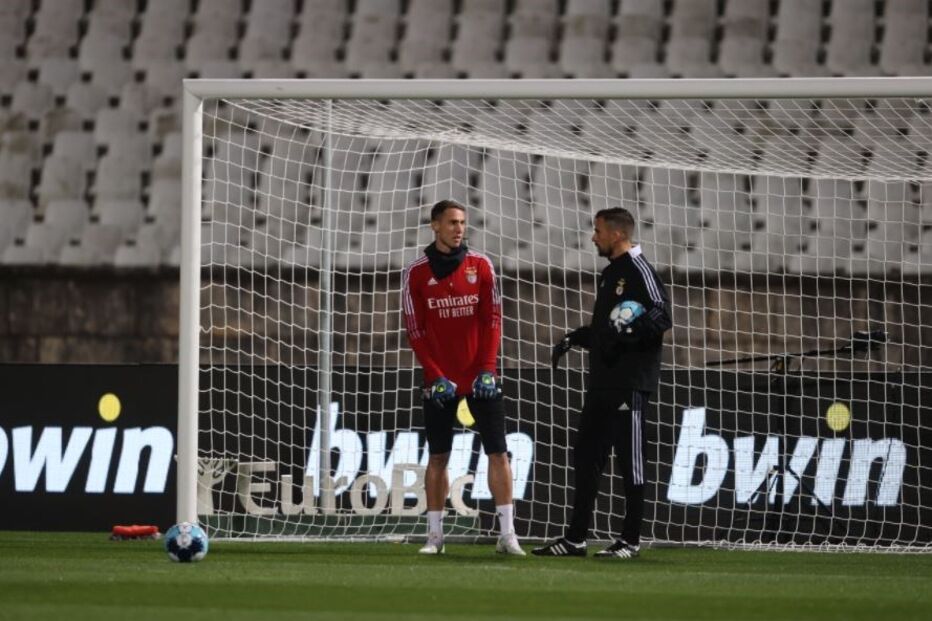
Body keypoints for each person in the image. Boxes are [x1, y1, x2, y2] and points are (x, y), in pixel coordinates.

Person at [532, 207, 671, 559]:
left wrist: (631, 330)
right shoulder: (611, 274)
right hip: (602, 383)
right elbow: (610, 330)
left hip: (629, 383)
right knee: (586, 458)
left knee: (630, 462)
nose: (593, 237)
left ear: (617, 234)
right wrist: (579, 336)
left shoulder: (640, 270)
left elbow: (661, 314)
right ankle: (575, 539)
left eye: (598, 231)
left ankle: (631, 541)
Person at [402, 199, 524, 556]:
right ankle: (435, 537)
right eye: (452, 222)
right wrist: (435, 375)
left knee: (498, 453)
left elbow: (493, 320)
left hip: (480, 378)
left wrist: (487, 369)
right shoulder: (415, 272)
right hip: (440, 383)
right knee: (438, 456)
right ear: (435, 226)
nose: (459, 229)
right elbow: (415, 330)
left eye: (462, 223)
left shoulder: (480, 265)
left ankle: (507, 535)